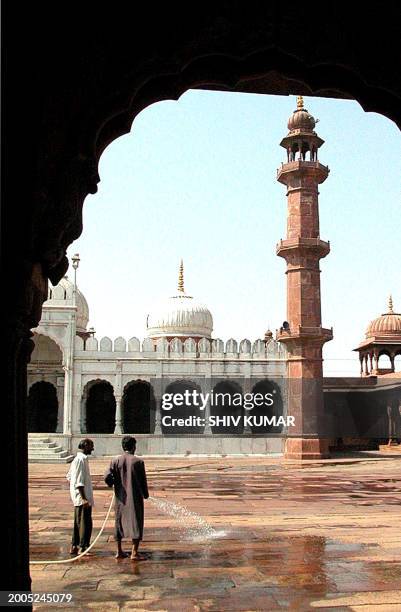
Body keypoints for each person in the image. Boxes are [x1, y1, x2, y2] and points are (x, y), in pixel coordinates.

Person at [104, 436, 149, 559]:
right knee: (136, 521)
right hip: (134, 497)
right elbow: (143, 480)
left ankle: (119, 551)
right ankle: (134, 552)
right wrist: (145, 494)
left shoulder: (115, 461)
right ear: (133, 447)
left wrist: (112, 484)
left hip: (121, 497)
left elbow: (107, 476)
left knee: (119, 521)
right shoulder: (138, 462)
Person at [66, 438, 95, 555]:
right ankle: (83, 547)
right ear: (85, 446)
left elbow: (69, 477)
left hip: (79, 497)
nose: (92, 448)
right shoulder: (81, 460)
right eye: (91, 446)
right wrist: (83, 497)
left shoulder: (78, 459)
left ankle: (74, 545)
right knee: (84, 523)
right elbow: (79, 481)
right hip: (82, 498)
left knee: (78, 522)